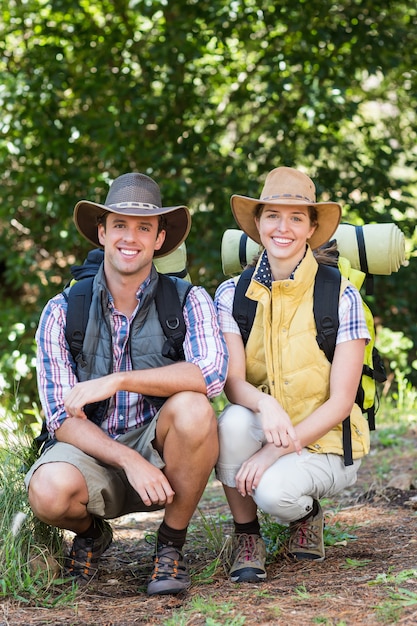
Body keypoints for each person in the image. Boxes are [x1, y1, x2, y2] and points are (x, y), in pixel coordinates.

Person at [25, 172, 228, 596]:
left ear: (159, 238)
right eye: (119, 224)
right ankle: (92, 534)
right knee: (47, 491)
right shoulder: (63, 311)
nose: (129, 237)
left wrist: (118, 380)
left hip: (160, 449)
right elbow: (61, 417)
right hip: (92, 450)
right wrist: (127, 461)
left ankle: (170, 544)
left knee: (194, 410)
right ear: (102, 233)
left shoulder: (189, 299)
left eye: (143, 227)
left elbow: (210, 374)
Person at [214, 166, 370, 583]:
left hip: (326, 442)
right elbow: (232, 383)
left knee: (274, 492)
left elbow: (340, 402)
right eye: (272, 216)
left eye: (296, 217)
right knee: (230, 423)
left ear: (312, 228)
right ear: (258, 224)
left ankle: (307, 515)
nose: (283, 228)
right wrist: (264, 403)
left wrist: (273, 452)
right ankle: (247, 535)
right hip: (269, 424)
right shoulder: (232, 294)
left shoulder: (340, 295)